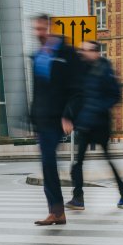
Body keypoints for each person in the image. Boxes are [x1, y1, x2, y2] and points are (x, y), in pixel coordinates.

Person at [29, 15, 81, 226]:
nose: (38, 33)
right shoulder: (37, 56)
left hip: (58, 118)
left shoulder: (67, 53)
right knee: (47, 164)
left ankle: (56, 210)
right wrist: (32, 120)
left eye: (42, 28)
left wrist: (68, 116)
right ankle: (56, 211)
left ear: (50, 28)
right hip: (43, 118)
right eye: (36, 29)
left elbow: (77, 88)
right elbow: (38, 91)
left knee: (48, 162)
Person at [66, 40, 123, 210]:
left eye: (86, 50)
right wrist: (70, 116)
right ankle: (78, 197)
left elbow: (115, 95)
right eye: (82, 50)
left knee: (108, 160)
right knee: (78, 162)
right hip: (84, 124)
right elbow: (75, 95)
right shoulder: (81, 70)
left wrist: (99, 108)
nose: (83, 53)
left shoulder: (105, 69)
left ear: (96, 52)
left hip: (100, 124)